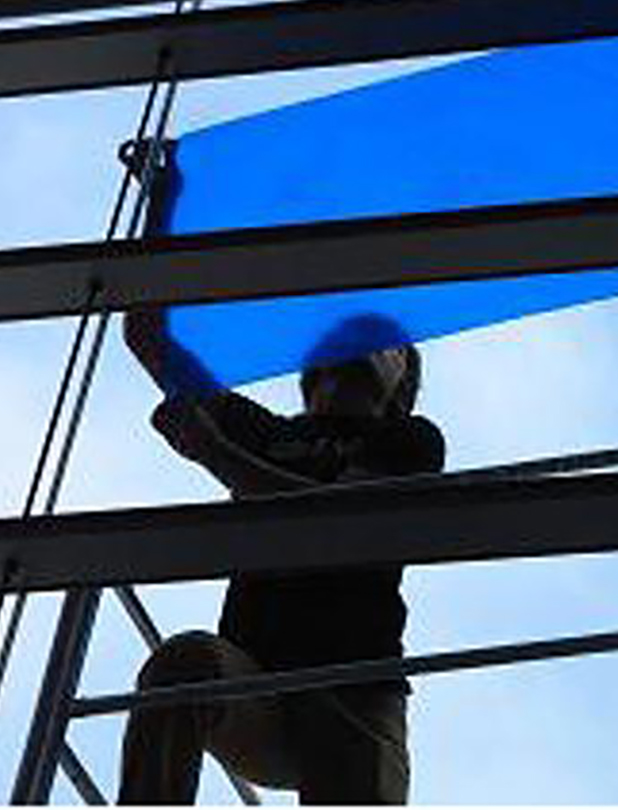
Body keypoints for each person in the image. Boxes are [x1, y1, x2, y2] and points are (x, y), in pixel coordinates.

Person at [118, 310, 444, 805]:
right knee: (184, 664)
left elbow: (335, 523)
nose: (367, 342)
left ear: (404, 384)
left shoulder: (409, 440)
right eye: (353, 334)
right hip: (257, 685)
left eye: (389, 344)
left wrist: (217, 453)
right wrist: (157, 276)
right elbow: (147, 338)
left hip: (355, 690)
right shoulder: (268, 434)